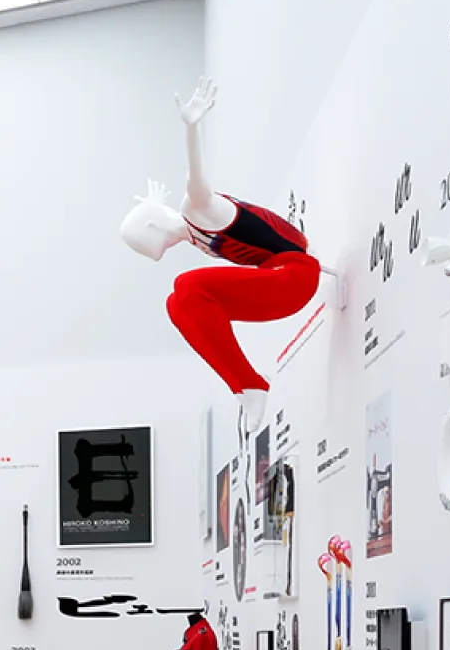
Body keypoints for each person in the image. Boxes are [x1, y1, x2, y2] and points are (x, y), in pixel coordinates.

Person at [120, 77, 319, 409]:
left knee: (187, 285)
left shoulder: (196, 208)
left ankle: (252, 385)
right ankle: (245, 387)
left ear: (152, 226)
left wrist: (191, 128)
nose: (148, 254)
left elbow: (195, 177)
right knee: (176, 304)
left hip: (296, 275)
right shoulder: (193, 235)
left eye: (139, 244)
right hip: (277, 285)